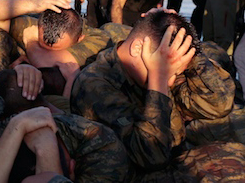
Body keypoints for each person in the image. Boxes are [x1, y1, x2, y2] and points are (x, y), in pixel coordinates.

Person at [71, 10, 238, 180]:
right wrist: (158, 80)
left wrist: (189, 48)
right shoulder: (95, 85)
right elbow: (151, 156)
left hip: (172, 154)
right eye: (168, 74)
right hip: (135, 172)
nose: (171, 80)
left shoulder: (157, 64)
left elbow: (219, 104)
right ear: (137, 48)